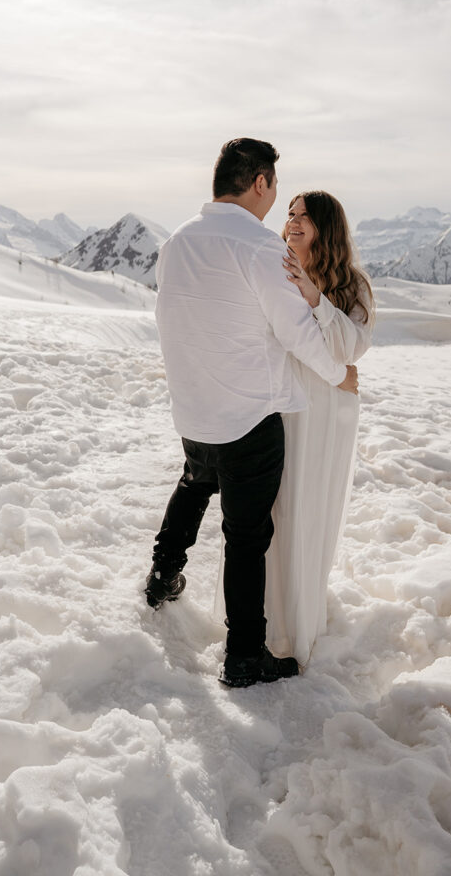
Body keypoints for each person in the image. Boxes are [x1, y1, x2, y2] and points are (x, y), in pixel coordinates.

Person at [144, 138, 358, 688]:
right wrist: (341, 375)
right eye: (275, 189)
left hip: (193, 409)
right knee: (246, 536)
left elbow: (172, 321)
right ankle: (244, 656)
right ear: (259, 182)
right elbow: (298, 331)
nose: (276, 203)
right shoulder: (259, 247)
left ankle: (164, 574)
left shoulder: (177, 243)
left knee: (195, 482)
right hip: (249, 416)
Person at [265, 191, 374, 666]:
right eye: (288, 214)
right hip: (285, 402)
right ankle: (268, 621)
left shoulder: (353, 284)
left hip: (329, 410)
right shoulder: (274, 266)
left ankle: (299, 620)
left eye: (303, 216)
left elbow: (352, 349)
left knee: (312, 508)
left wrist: (316, 298)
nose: (292, 222)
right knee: (277, 509)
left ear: (325, 225)